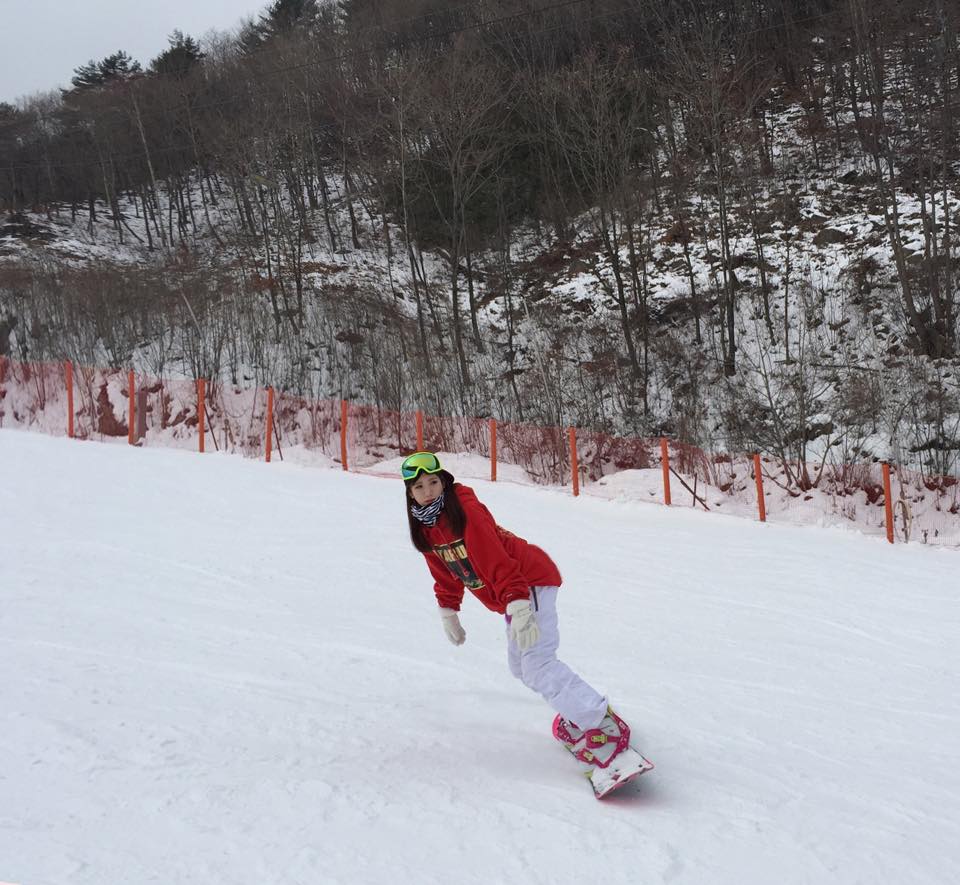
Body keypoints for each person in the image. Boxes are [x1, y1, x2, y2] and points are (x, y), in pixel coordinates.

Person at [401, 450, 631, 767]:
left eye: (433, 482)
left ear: (444, 482)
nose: (428, 491)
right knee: (521, 667)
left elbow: (495, 558)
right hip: (514, 593)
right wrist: (448, 610)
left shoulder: (465, 510)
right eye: (419, 487)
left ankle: (601, 724)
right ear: (410, 494)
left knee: (537, 663)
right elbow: (445, 571)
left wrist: (519, 603)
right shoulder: (426, 527)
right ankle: (579, 712)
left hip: (528, 581)